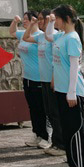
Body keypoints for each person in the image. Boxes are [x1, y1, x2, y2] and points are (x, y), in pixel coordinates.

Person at [45, 5, 84, 167]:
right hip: (62, 90)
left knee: (75, 129)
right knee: (68, 128)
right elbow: (48, 36)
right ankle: (73, 163)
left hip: (71, 91)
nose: (55, 21)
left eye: (56, 18)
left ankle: (81, 166)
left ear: (66, 19)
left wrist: (71, 92)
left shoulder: (72, 38)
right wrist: (50, 22)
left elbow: (74, 67)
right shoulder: (61, 35)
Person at [24, 10, 65, 157]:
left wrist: (54, 77)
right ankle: (55, 142)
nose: (40, 21)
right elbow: (25, 37)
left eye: (42, 19)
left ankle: (61, 144)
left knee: (55, 113)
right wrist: (32, 24)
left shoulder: (55, 36)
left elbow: (56, 58)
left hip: (52, 80)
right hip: (44, 80)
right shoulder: (41, 36)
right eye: (39, 19)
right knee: (49, 112)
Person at [10, 11, 49, 149]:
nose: (24, 21)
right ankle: (37, 134)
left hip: (39, 78)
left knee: (42, 109)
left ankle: (46, 136)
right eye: (24, 19)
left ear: (36, 20)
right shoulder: (23, 34)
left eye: (27, 19)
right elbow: (12, 32)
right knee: (33, 108)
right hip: (27, 78)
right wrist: (15, 21)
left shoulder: (40, 36)